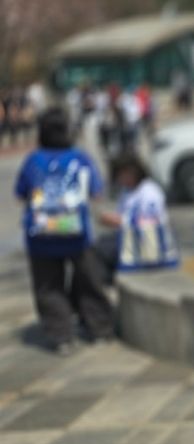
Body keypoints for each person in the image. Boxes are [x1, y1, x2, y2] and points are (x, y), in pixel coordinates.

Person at [14, 107, 114, 354]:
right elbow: (96, 191)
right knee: (89, 281)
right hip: (77, 234)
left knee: (48, 286)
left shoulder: (32, 160)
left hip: (41, 237)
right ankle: (99, 328)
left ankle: (61, 336)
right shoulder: (79, 158)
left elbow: (20, 193)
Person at [96, 152, 179, 281]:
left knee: (101, 249)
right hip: (130, 239)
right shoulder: (127, 192)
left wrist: (118, 221)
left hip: (148, 244)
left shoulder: (150, 192)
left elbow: (149, 223)